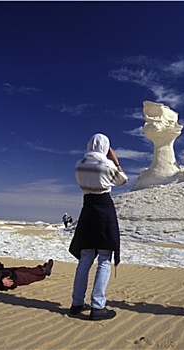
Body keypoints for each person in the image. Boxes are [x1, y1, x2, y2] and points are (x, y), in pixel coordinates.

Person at [68, 133, 128, 320]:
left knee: (85, 258)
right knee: (104, 257)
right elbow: (122, 180)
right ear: (106, 147)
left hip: (88, 209)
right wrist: (115, 160)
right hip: (104, 209)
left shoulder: (79, 165)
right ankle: (97, 305)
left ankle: (77, 303)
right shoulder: (107, 165)